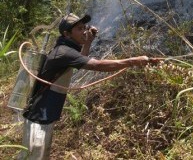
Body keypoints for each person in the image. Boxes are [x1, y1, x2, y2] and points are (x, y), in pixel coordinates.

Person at [19, 13, 158, 159]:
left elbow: (80, 60)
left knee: (40, 155)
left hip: (46, 114)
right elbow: (97, 65)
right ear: (67, 34)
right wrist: (132, 61)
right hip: (38, 116)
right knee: (32, 156)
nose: (85, 31)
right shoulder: (64, 52)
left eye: (85, 27)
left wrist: (88, 42)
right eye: (79, 29)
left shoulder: (66, 50)